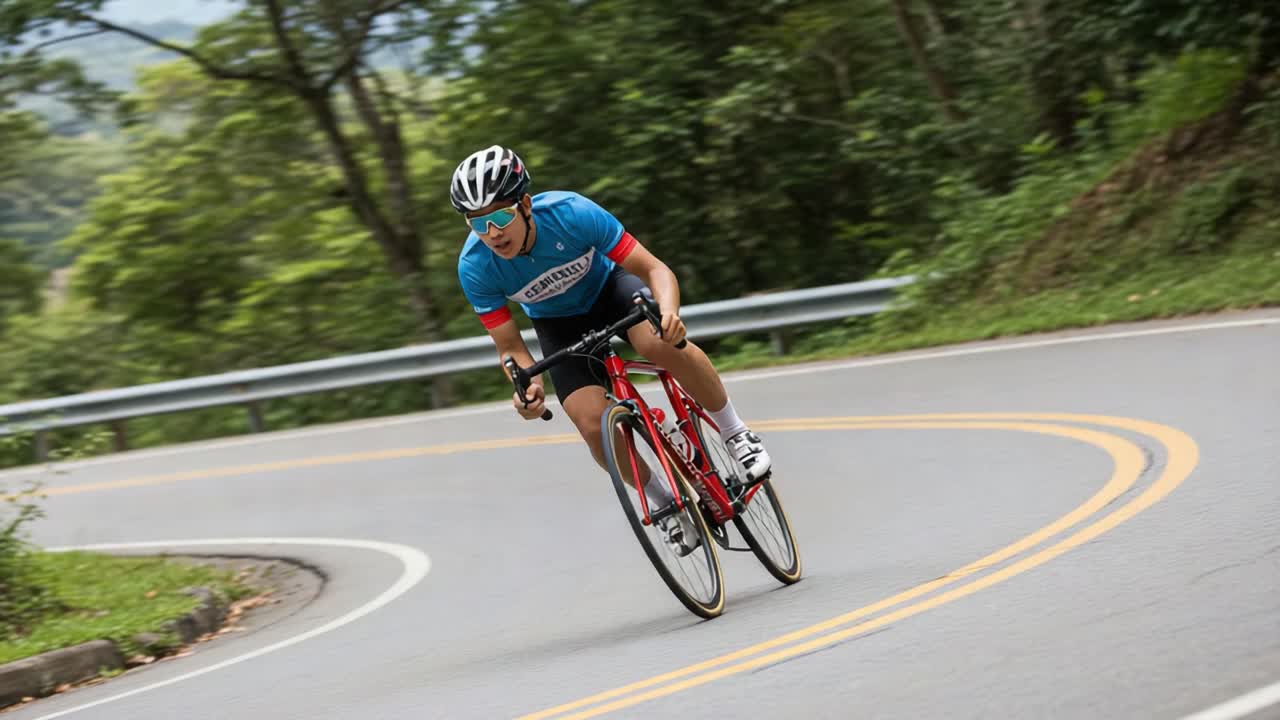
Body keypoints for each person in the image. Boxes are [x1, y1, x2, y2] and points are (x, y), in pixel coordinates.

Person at [452, 145, 771, 556]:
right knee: (590, 423)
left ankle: (735, 432)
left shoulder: (571, 213)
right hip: (558, 324)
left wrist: (669, 313)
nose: (492, 233)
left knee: (655, 342)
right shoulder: (475, 266)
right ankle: (664, 503)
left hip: (611, 291)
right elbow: (511, 348)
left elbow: (656, 270)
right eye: (478, 223)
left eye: (500, 216)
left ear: (525, 205)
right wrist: (526, 386)